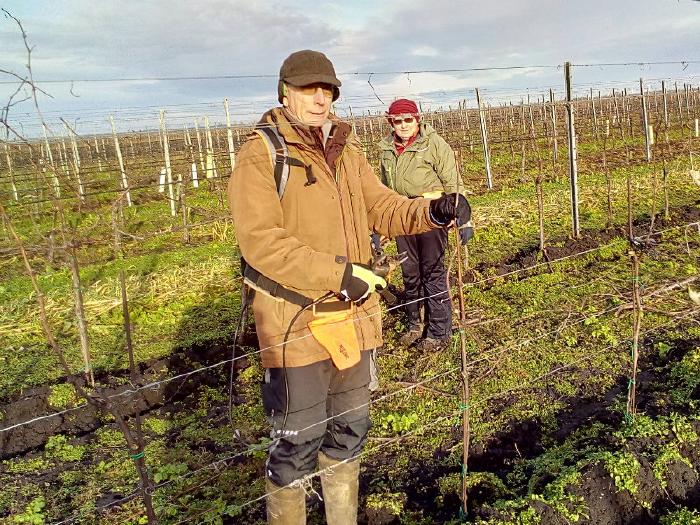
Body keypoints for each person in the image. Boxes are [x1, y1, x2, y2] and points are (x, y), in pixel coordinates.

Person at [228, 50, 470, 524]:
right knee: (296, 443)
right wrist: (338, 274)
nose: (320, 99)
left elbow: (381, 207)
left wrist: (431, 212)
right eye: (308, 90)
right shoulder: (263, 153)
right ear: (285, 93)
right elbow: (260, 243)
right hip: (295, 325)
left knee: (350, 431)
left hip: (355, 321)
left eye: (327, 90)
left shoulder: (348, 149)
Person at [378, 98, 472, 351]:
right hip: (402, 216)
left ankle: (439, 331)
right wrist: (382, 222)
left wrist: (463, 219)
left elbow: (452, 181)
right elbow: (384, 189)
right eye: (398, 120)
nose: (404, 125)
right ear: (391, 122)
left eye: (408, 119)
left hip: (430, 214)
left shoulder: (434, 144)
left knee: (433, 272)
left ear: (417, 119)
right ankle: (414, 324)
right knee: (410, 272)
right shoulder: (386, 148)